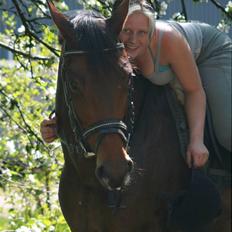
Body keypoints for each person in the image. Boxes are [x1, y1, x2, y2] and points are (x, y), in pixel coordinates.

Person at [41, 1, 231, 168]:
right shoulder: (109, 41)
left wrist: (197, 141)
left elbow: (194, 90)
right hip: (177, 66)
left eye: (142, 33)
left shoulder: (170, 41)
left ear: (151, 31)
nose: (132, 40)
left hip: (211, 55)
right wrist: (59, 121)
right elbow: (93, 86)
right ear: (117, 28)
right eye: (127, 31)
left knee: (226, 133)